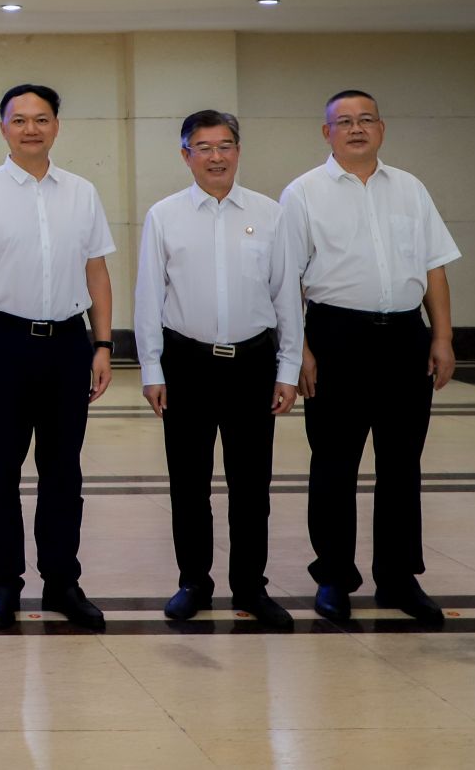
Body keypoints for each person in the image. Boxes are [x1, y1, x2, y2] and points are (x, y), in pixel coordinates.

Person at [282, 90, 460, 626]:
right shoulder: (303, 193)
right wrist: (300, 350)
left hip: (405, 337)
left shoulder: (410, 188)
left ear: (381, 128)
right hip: (336, 337)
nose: (356, 128)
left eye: (366, 120)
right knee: (334, 463)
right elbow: (286, 280)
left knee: (402, 463)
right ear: (327, 133)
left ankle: (399, 576)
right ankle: (334, 576)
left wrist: (442, 337)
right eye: (344, 121)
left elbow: (433, 268)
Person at [0, 83, 116, 631]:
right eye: (19, 120)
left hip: (68, 343)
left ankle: (62, 581)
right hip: (2, 343)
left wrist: (102, 344)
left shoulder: (82, 193)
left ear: (56, 127)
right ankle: (3, 583)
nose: (30, 129)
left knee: (63, 470)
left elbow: (97, 272)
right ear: (3, 128)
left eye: (41, 119)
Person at [135, 109, 301, 631]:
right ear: (185, 155)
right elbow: (148, 296)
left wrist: (289, 367)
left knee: (252, 485)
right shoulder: (164, 215)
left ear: (238, 151)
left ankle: (251, 585)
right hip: (186, 363)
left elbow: (286, 295)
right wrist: (151, 369)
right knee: (189, 483)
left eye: (225, 145)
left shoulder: (270, 214)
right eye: (203, 147)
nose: (215, 157)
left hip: (252, 363)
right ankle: (194, 582)